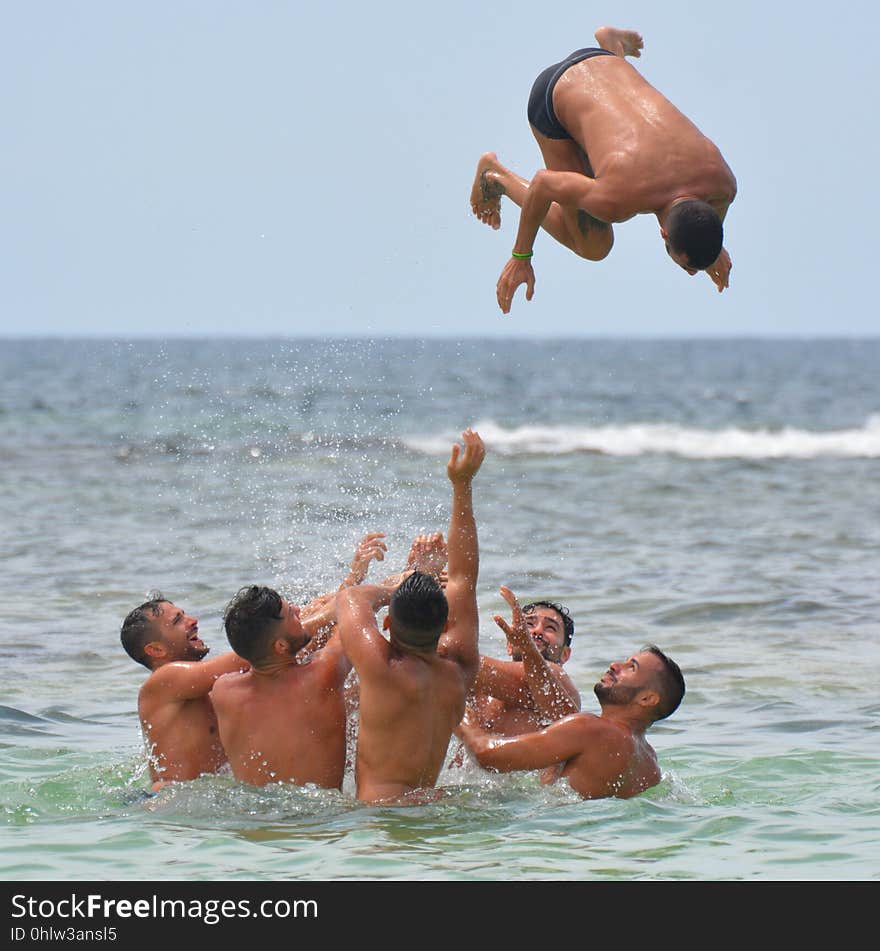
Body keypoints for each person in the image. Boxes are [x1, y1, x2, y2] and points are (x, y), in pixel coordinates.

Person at [469, 25, 737, 313]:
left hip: (605, 64)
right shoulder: (618, 198)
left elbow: (708, 218)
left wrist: (709, 250)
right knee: (593, 245)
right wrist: (521, 256)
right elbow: (543, 185)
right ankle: (494, 176)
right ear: (664, 234)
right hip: (552, 98)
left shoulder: (722, 182)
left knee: (619, 120)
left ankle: (613, 46)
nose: (691, 273)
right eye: (688, 267)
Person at [337, 428, 485, 803]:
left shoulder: (379, 665)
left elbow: (351, 599)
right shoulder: (460, 669)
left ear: (387, 623)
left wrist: (402, 580)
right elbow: (465, 579)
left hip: (382, 815)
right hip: (431, 803)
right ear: (445, 626)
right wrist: (462, 485)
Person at [455, 646, 685, 800]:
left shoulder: (591, 729)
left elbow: (487, 755)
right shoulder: (650, 766)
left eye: (630, 667)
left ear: (647, 699)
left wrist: (460, 712)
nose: (615, 665)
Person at [209, 585, 361, 789]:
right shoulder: (322, 674)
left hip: (254, 817)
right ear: (281, 646)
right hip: (322, 817)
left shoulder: (223, 691)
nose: (300, 610)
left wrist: (322, 614)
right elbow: (351, 615)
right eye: (292, 614)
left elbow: (274, 653)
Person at [120, 594, 249, 791]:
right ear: (156, 649)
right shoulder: (165, 679)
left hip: (199, 797)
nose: (193, 621)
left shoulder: (204, 687)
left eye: (184, 614)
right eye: (178, 621)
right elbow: (252, 654)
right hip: (170, 801)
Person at [472, 585, 580, 737]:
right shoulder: (483, 689)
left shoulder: (557, 679)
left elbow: (459, 662)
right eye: (528, 624)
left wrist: (462, 587)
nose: (537, 631)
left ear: (564, 654)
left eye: (550, 628)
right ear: (509, 645)